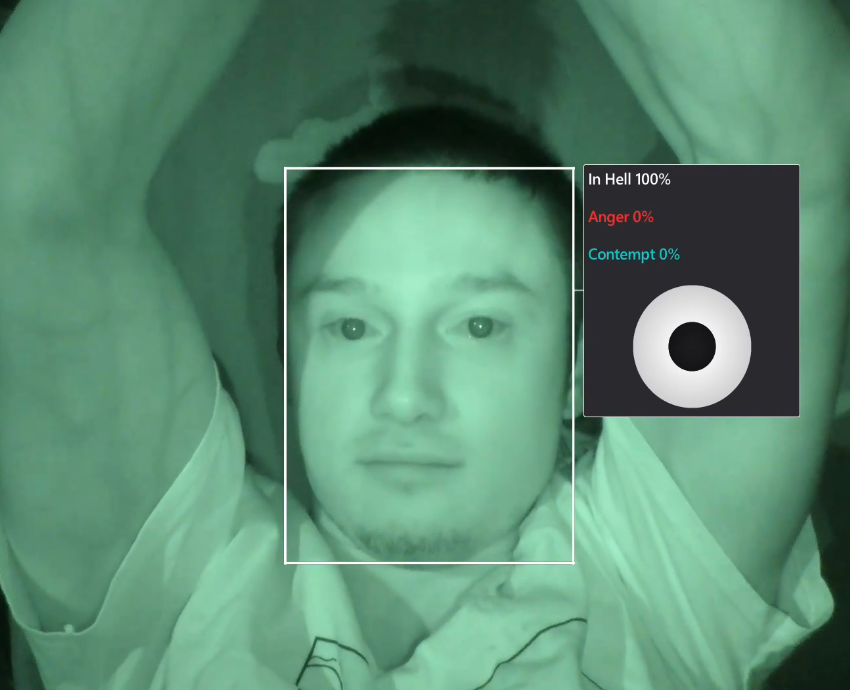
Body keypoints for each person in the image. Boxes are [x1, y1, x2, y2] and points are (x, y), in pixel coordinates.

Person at [0, 0, 848, 688]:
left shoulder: (654, 576)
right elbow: (24, 189)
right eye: (351, 326)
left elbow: (780, 166)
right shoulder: (173, 587)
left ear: (576, 370)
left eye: (480, 325)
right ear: (292, 357)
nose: (405, 396)